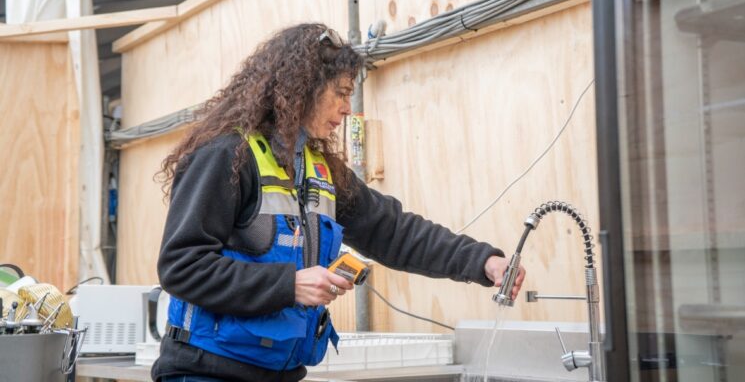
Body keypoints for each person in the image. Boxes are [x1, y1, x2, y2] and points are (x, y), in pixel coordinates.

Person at [152, 23, 526, 382]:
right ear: (303, 89)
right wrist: (289, 285)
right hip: (205, 371)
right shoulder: (227, 155)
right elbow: (181, 265)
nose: (348, 108)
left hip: (279, 372)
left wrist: (483, 262)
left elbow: (392, 231)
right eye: (341, 93)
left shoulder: (318, 168)